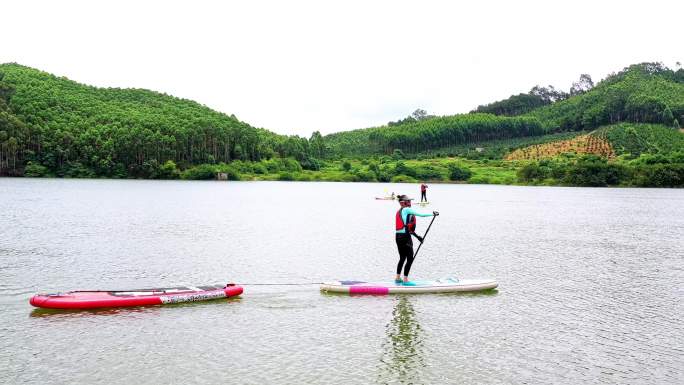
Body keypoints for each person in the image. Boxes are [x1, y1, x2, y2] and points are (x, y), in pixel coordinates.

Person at [395, 194, 438, 284]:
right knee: (410, 258)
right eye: (408, 201)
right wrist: (432, 214)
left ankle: (398, 278)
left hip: (398, 237)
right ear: (403, 203)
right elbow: (421, 214)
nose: (410, 202)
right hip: (405, 237)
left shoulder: (399, 211)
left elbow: (408, 228)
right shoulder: (407, 209)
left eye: (410, 201)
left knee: (402, 258)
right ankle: (405, 280)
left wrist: (418, 237)